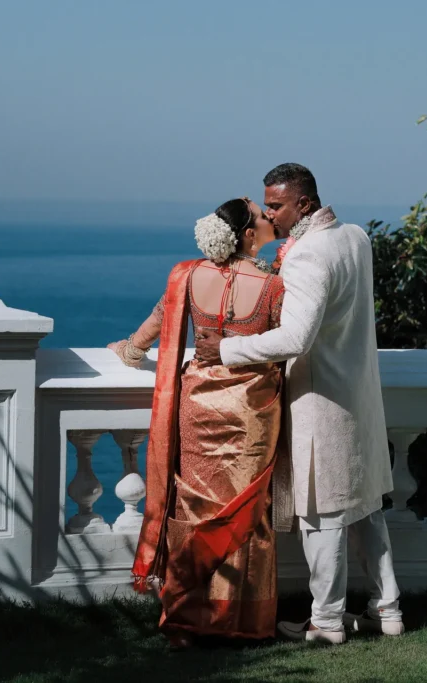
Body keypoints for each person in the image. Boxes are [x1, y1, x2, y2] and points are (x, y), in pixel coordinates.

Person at [195, 163, 402, 645]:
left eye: (276, 205)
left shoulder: (308, 254)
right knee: (367, 508)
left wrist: (223, 350)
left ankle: (326, 623)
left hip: (320, 400)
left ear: (303, 204)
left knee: (321, 515)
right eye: (266, 204)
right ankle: (387, 609)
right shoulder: (355, 237)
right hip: (359, 396)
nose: (268, 213)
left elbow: (296, 336)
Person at [108, 197, 293, 648]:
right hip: (251, 410)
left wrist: (131, 350)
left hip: (197, 404)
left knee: (193, 509)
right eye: (260, 213)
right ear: (249, 234)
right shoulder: (273, 285)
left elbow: (160, 318)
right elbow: (286, 344)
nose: (269, 217)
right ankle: (241, 622)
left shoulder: (188, 275)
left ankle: (185, 621)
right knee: (247, 513)